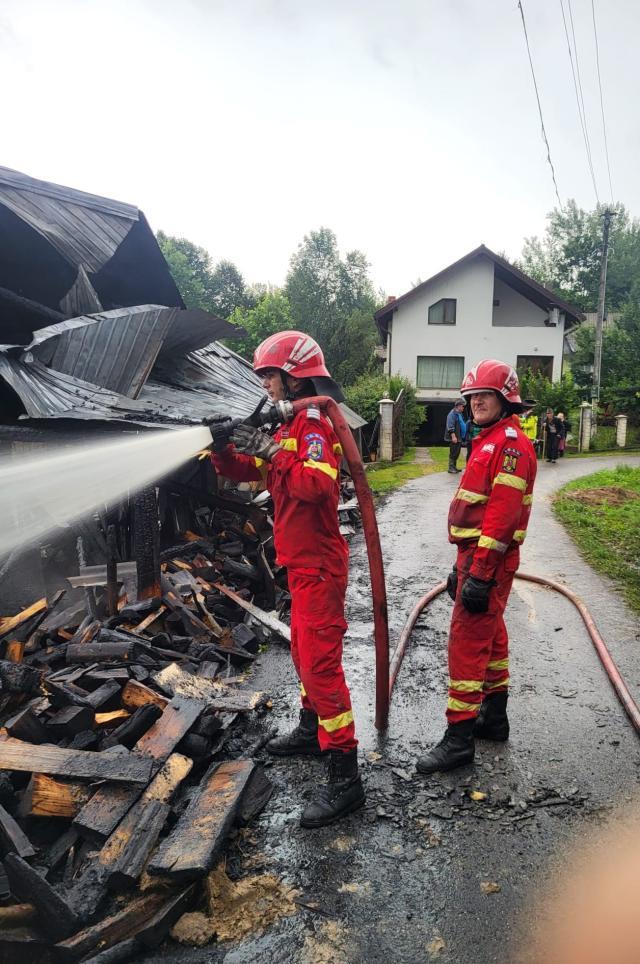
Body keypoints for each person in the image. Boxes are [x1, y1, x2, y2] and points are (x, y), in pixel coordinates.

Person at [208, 331, 365, 828]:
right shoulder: (290, 427)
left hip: (319, 565)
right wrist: (221, 447)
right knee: (302, 650)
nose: (267, 387)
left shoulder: (313, 425)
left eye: (271, 376)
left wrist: (274, 452)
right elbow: (245, 470)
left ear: (296, 375)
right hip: (299, 564)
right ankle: (309, 726)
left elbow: (317, 486)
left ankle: (345, 777)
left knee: (320, 663)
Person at [416, 360, 537, 774]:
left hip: (489, 561)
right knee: (493, 634)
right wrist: (461, 566)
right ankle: (494, 717)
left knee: (466, 644)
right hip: (474, 558)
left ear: (506, 399)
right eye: (472, 396)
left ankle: (459, 739)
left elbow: (500, 520)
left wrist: (481, 573)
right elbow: (478, 511)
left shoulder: (510, 445)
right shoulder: (490, 439)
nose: (477, 401)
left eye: (486, 394)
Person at [445, 399, 467, 473]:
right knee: (453, 452)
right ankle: (451, 468)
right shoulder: (452, 414)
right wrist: (453, 436)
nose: (463, 408)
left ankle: (454, 467)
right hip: (454, 437)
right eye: (462, 406)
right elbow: (450, 426)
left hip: (459, 437)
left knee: (457, 452)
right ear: (458, 406)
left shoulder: (459, 414)